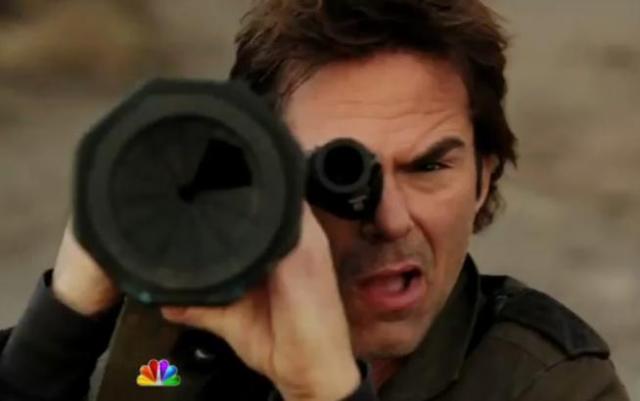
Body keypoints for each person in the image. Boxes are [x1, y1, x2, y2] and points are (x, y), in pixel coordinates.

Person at [0, 1, 631, 400]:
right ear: (260, 182)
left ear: (483, 179)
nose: (388, 219)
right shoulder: (171, 349)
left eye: (429, 167)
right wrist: (63, 324)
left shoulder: (548, 384)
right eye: (339, 173)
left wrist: (323, 391)